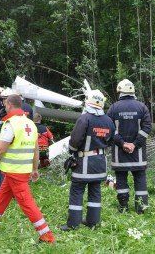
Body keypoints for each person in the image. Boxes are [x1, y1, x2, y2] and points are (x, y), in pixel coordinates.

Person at [0, 94, 55, 243]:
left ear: (10, 105)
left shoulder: (10, 124)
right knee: (1, 198)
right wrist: (35, 169)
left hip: (14, 171)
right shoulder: (31, 124)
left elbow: (0, 149)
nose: (5, 107)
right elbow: (36, 149)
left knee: (27, 204)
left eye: (5, 105)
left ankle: (47, 236)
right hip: (21, 171)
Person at [60, 90, 115, 231]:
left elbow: (75, 140)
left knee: (77, 191)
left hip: (84, 163)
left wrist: (72, 151)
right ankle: (93, 222)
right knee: (95, 191)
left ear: (88, 101)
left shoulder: (85, 118)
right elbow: (111, 139)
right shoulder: (108, 120)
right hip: (100, 162)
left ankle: (73, 224)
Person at [107, 79, 151, 214]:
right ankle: (141, 209)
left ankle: (123, 207)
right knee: (140, 180)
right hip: (138, 155)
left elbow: (109, 129)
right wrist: (135, 144)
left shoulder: (113, 108)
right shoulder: (142, 107)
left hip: (119, 154)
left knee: (121, 180)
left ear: (120, 91)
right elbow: (147, 128)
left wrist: (122, 143)